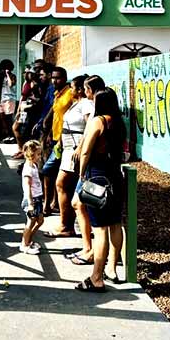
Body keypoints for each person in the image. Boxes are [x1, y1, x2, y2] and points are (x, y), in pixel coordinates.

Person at [75, 88, 126, 292]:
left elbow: (86, 150)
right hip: (115, 175)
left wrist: (81, 173)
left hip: (97, 175)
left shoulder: (98, 122)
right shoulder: (119, 123)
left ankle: (96, 277)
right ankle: (112, 270)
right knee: (115, 223)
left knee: (100, 228)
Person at [49, 74, 93, 238]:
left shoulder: (86, 104)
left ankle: (65, 224)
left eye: (73, 87)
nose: (71, 90)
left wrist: (80, 146)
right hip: (67, 148)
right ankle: (67, 223)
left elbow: (89, 126)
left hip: (75, 149)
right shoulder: (77, 104)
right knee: (65, 185)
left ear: (80, 89)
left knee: (62, 183)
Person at [69, 74, 106, 265]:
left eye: (86, 88)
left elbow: (89, 134)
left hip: (93, 167)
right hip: (94, 166)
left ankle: (90, 250)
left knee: (82, 204)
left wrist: (82, 168)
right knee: (80, 204)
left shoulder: (95, 109)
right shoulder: (98, 109)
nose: (84, 92)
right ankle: (88, 247)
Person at [38, 65, 69, 215]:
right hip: (55, 137)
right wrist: (49, 131)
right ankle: (52, 202)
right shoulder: (58, 93)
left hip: (64, 140)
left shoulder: (70, 94)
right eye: (53, 78)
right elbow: (56, 115)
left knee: (48, 170)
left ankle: (48, 204)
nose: (54, 81)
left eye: (58, 78)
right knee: (53, 172)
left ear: (65, 78)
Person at [19, 139, 45, 255]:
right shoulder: (28, 169)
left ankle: (29, 239)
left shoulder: (33, 165)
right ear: (31, 155)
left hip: (37, 198)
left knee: (40, 220)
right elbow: (27, 186)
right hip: (32, 199)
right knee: (30, 222)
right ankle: (24, 244)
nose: (40, 157)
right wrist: (30, 203)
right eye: (38, 154)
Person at [10, 68, 36, 159]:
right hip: (22, 108)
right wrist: (18, 110)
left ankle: (23, 151)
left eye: (27, 72)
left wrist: (27, 107)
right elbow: (22, 97)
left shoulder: (33, 84)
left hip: (28, 109)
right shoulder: (25, 83)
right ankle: (20, 149)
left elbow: (34, 98)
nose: (24, 74)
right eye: (24, 72)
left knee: (21, 130)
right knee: (15, 128)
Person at [0, 59, 18, 143]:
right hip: (3, 99)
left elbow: (11, 84)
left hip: (10, 99)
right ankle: (6, 134)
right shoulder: (0, 76)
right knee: (2, 117)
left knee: (9, 118)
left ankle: (11, 136)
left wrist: (7, 74)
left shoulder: (12, 76)